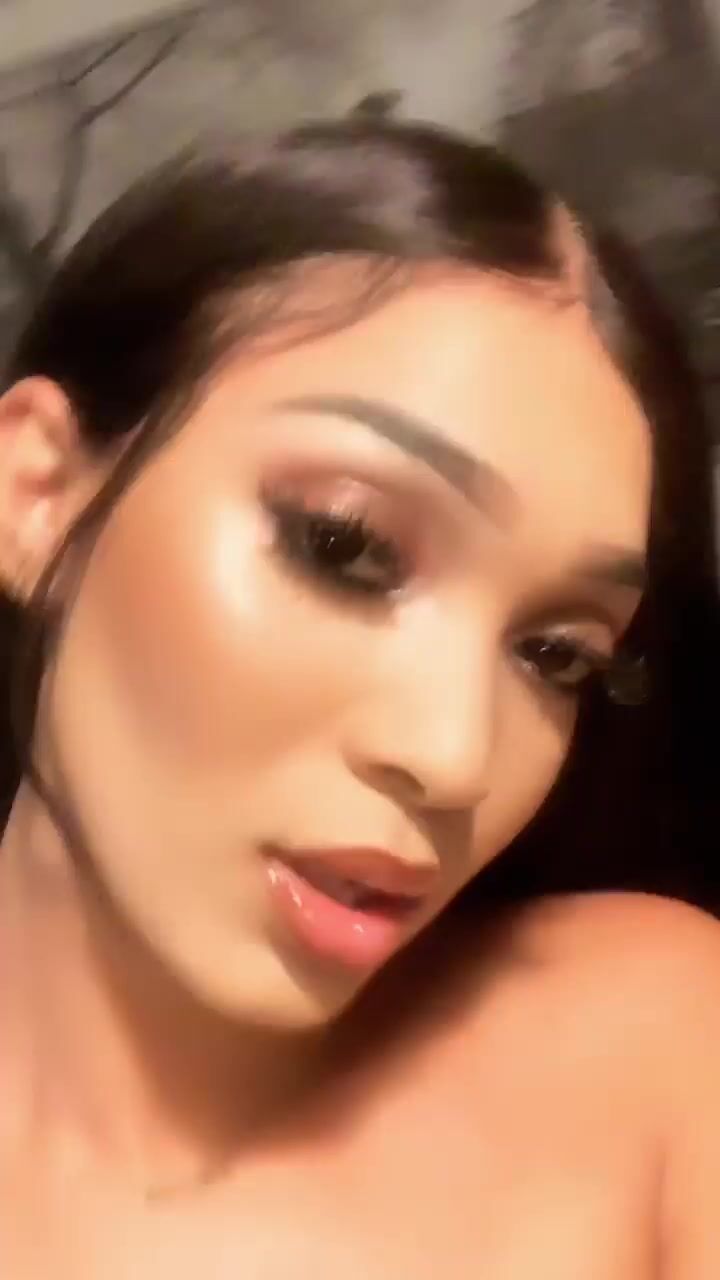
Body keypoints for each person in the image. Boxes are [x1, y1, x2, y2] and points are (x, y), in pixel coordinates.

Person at [0, 114, 719, 1279]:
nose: (454, 754)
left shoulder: (666, 1053)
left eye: (556, 654)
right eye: (344, 544)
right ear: (39, 492)